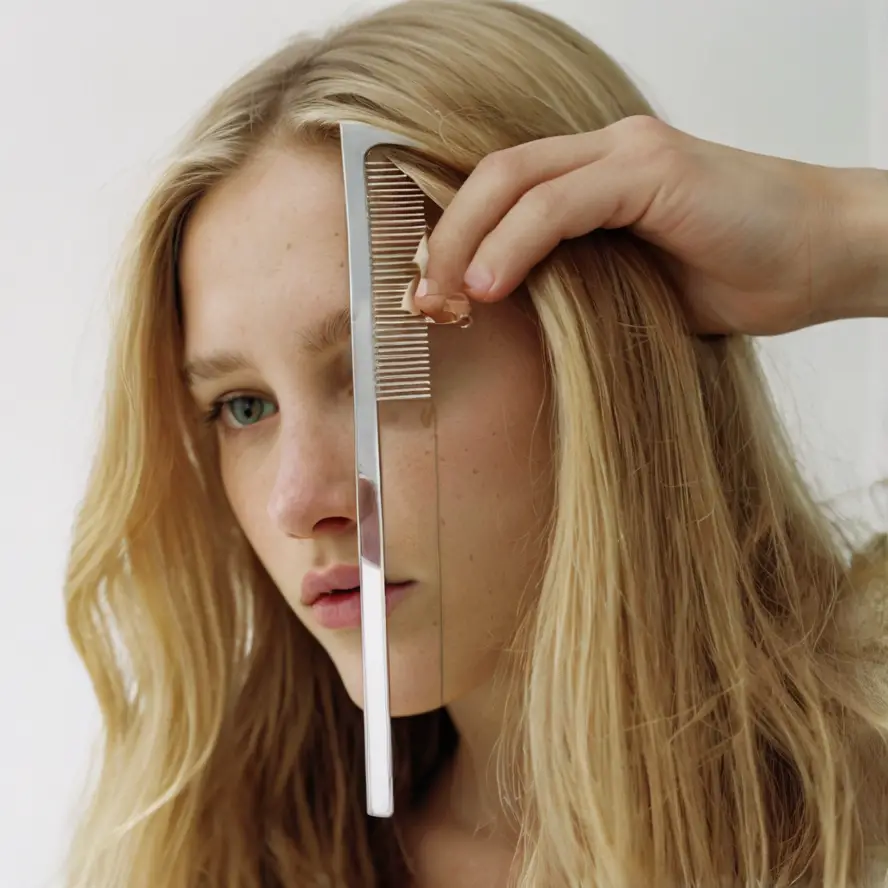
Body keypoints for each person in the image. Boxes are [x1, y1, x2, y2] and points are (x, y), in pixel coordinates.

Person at [62, 1, 888, 886]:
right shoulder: (217, 860)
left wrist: (835, 233)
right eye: (243, 408)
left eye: (381, 371)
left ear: (593, 360)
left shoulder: (863, 798)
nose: (299, 504)